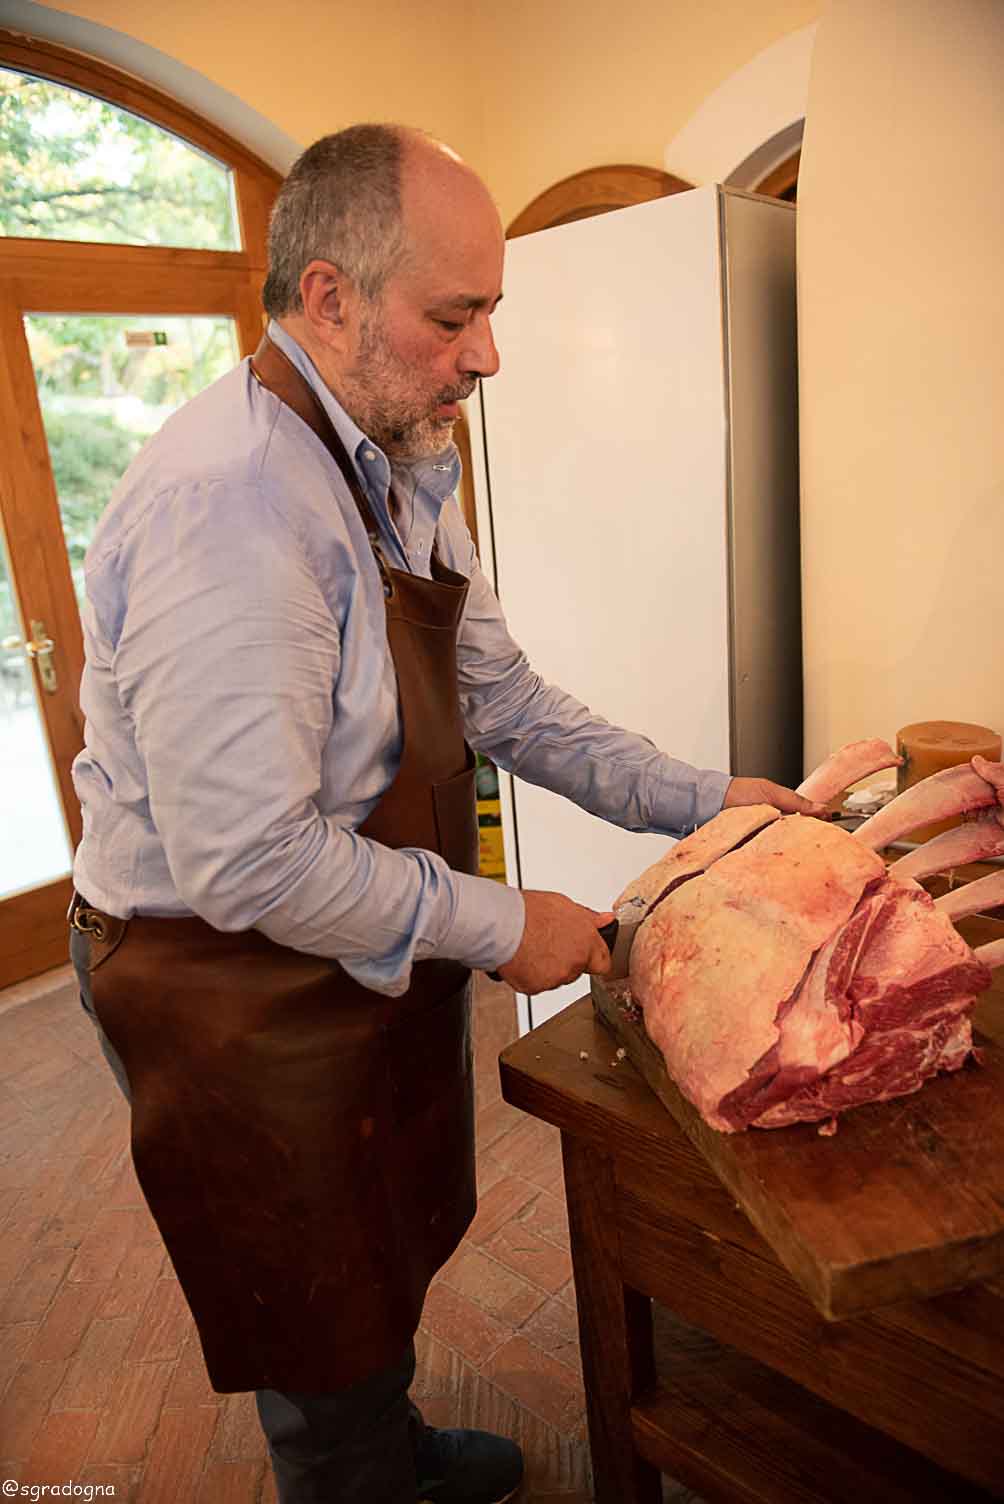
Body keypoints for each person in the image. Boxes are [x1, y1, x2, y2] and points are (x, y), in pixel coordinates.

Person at [68, 123, 826, 1504]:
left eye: (493, 313)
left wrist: (710, 798)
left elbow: (506, 700)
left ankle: (390, 1443)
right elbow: (247, 860)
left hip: (344, 925)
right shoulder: (233, 505)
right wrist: (499, 920)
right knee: (311, 1292)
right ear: (329, 299)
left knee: (372, 1244)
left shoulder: (400, 458)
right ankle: (356, 1475)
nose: (487, 356)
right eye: (456, 315)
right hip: (222, 977)